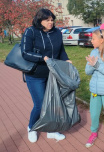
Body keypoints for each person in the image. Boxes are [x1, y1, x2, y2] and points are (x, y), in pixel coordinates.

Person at [21, 8, 71, 143]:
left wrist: (66, 60)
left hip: (53, 74)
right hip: (35, 74)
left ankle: (51, 130)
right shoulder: (30, 32)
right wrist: (42, 58)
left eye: (52, 20)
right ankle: (31, 127)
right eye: (47, 20)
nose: (51, 22)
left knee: (53, 103)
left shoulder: (57, 32)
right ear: (39, 20)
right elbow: (25, 52)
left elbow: (61, 51)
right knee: (40, 104)